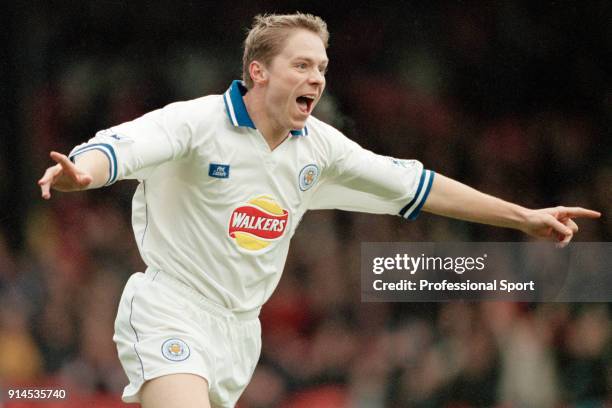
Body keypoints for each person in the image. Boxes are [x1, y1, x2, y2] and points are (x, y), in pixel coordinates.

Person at [37, 12, 600, 408]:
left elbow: (416, 184)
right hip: (170, 308)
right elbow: (125, 146)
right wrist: (82, 173)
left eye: (322, 67)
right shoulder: (197, 122)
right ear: (258, 71)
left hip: (240, 330)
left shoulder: (320, 149)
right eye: (302, 65)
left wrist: (521, 216)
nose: (317, 77)